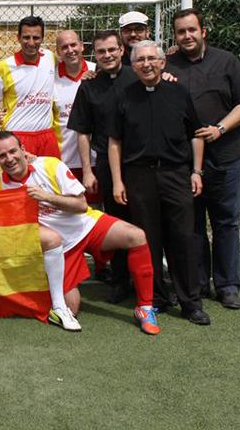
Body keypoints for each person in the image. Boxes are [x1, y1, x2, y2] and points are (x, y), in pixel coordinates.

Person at [0, 131, 159, 335]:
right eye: (1, 156)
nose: (9, 159)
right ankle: (44, 288)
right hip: (60, 247)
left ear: (23, 150)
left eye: (13, 151)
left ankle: (145, 308)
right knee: (71, 308)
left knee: (136, 236)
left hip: (85, 226)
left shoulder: (50, 165)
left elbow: (81, 205)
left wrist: (47, 197)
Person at [107, 40, 211, 325]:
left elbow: (196, 134)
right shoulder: (125, 96)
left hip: (176, 174)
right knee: (147, 240)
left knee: (183, 239)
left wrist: (196, 171)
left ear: (163, 62)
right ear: (134, 65)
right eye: (140, 60)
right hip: (139, 177)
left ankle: (191, 303)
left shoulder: (179, 93)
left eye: (152, 58)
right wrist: (118, 181)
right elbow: (114, 141)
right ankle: (156, 298)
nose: (146, 64)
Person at [166, 8, 240, 309]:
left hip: (226, 158)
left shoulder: (226, 61)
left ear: (203, 31)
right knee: (192, 226)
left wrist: (220, 129)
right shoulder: (169, 66)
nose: (187, 36)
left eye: (192, 30)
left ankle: (228, 285)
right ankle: (198, 282)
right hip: (185, 163)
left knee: (225, 223)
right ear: (175, 36)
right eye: (181, 32)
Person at [67, 30, 140, 303]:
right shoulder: (89, 85)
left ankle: (151, 282)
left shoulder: (138, 77)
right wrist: (87, 170)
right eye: (101, 52)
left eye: (112, 50)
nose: (107, 55)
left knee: (146, 222)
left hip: (140, 164)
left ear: (122, 50)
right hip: (108, 168)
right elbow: (82, 132)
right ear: (94, 55)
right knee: (117, 222)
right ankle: (120, 281)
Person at [0, 16, 59, 157]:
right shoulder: (4, 67)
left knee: (50, 177)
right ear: (18, 38)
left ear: (42, 38)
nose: (31, 42)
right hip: (17, 135)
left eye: (36, 38)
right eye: (26, 37)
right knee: (19, 179)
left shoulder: (50, 57)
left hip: (46, 135)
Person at [52, 30, 97, 192]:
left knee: (97, 211)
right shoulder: (50, 77)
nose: (70, 50)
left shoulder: (97, 71)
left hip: (95, 160)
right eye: (64, 47)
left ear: (82, 46)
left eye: (73, 45)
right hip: (64, 161)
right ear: (57, 52)